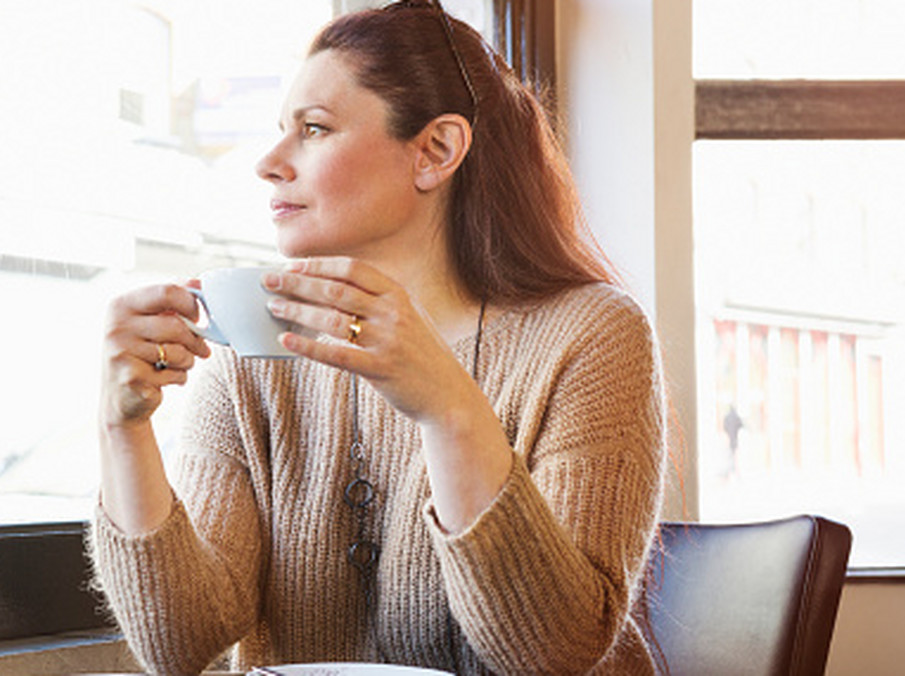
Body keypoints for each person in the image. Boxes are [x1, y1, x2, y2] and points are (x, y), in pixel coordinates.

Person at [89, 2, 667, 674]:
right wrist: (120, 429)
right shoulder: (254, 352)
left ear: (435, 151)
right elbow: (178, 647)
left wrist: (449, 409)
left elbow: (554, 655)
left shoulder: (590, 336)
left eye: (314, 129)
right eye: (282, 131)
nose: (270, 163)